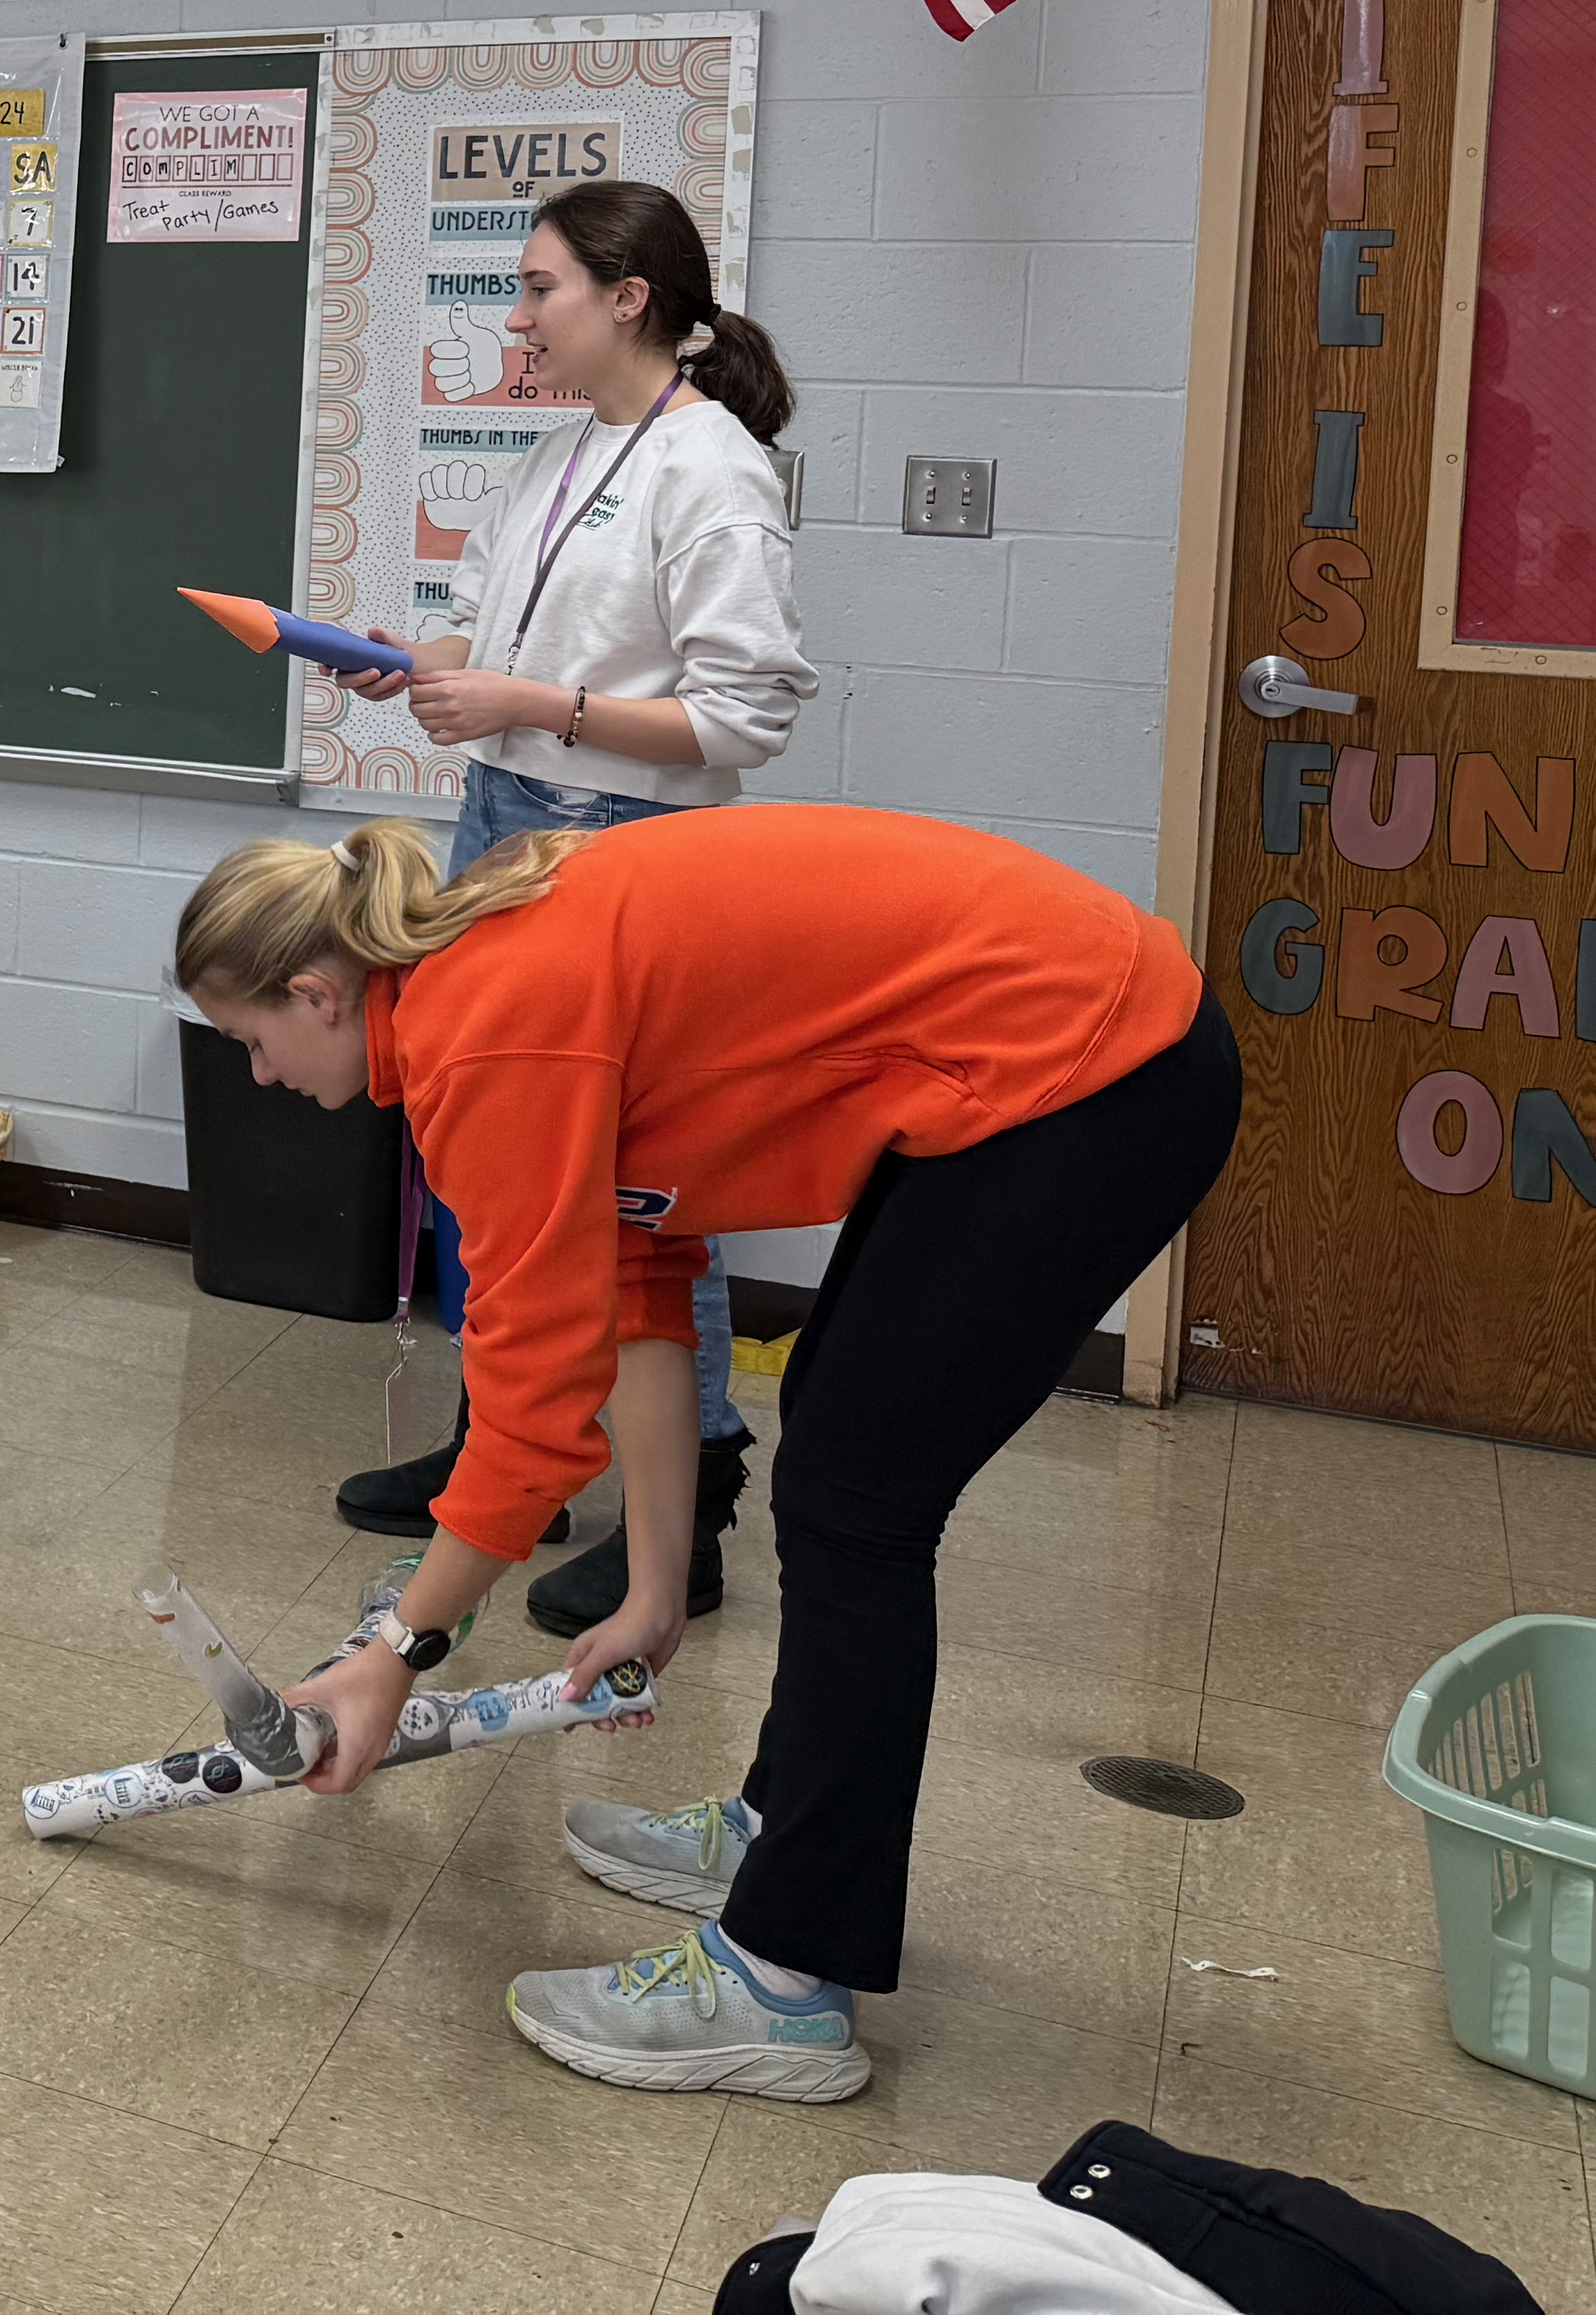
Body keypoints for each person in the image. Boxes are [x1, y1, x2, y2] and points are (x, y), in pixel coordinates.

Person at [182, 803, 1239, 2102]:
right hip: (1061, 1047)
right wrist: (654, 1585)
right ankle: (778, 1837)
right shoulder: (474, 982)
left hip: (1093, 1068)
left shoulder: (487, 1028)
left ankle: (788, 1981)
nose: (259, 1078)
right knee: (837, 1477)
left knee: (859, 1506)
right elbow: (641, 1275)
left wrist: (398, 1651)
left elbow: (530, 1405)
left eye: (251, 1042)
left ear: (316, 995)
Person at [330, 182, 817, 1636]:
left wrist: (535, 702)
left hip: (620, 844)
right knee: (497, 1151)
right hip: (505, 816)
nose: (517, 313)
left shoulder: (710, 467)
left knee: (640, 1188)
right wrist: (412, 662)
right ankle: (519, 1452)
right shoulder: (564, 451)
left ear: (627, 297)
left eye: (538, 286)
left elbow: (744, 713)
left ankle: (703, 1498)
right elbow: (493, 632)